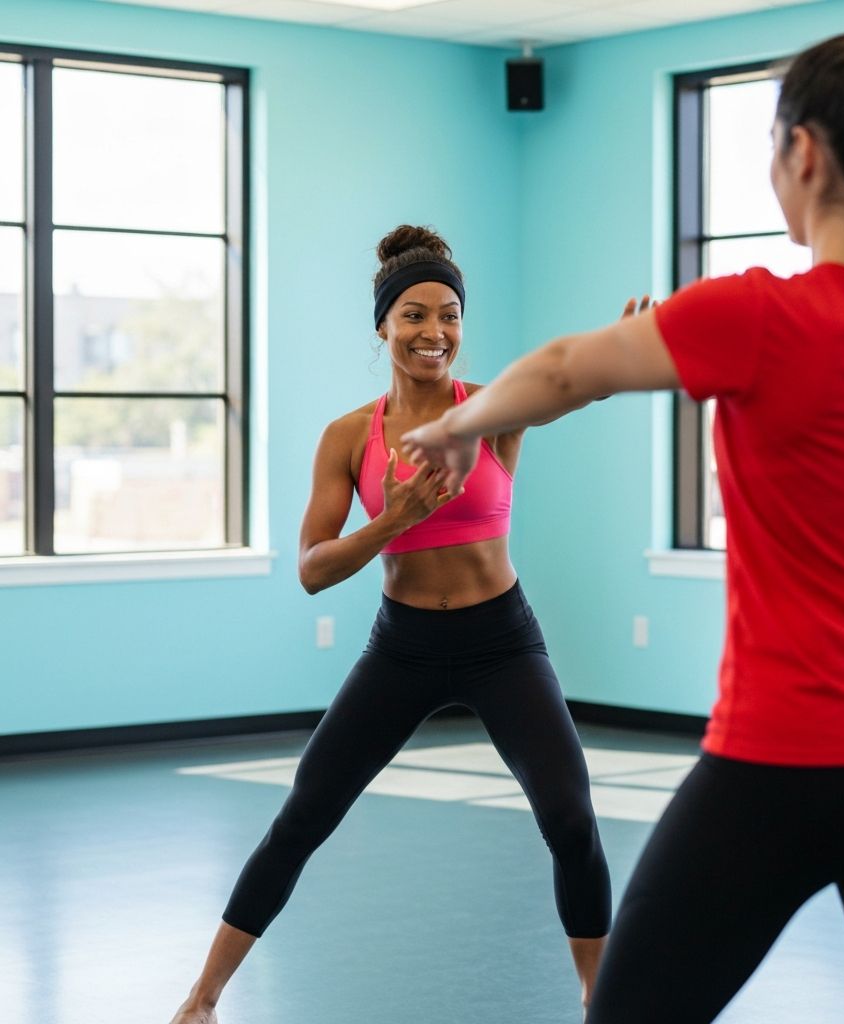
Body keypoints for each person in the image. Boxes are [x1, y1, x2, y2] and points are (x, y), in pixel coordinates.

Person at [402, 19, 844, 1023]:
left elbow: (565, 369)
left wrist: (455, 428)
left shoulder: (759, 314)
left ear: (804, 153)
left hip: (790, 759)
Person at [170, 225, 612, 1024]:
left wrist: (626, 352)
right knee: (304, 815)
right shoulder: (349, 437)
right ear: (383, 326)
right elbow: (312, 569)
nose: (433, 331)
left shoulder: (491, 410)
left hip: (502, 642)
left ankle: (600, 1001)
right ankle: (202, 1000)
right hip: (403, 647)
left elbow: (570, 384)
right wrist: (391, 521)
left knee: (571, 816)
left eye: (449, 315)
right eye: (414, 315)